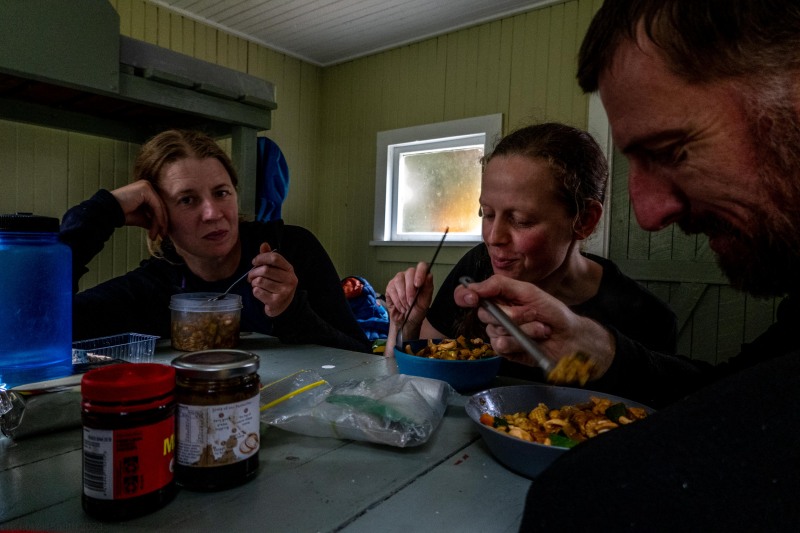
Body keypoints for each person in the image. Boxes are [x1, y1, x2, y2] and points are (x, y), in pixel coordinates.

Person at [455, 1, 800, 529]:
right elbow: (727, 396)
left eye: (672, 150)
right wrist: (597, 349)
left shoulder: (644, 312)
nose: (647, 213)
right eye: (487, 214)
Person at [384, 122, 677, 385]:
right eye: (487, 214)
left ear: (584, 220)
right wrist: (406, 322)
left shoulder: (646, 318)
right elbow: (420, 382)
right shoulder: (477, 266)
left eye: (521, 220)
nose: (493, 238)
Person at [60, 129, 370, 353]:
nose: (212, 213)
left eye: (221, 193)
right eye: (187, 200)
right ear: (157, 213)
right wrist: (104, 212)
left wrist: (290, 311)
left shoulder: (290, 250)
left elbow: (359, 353)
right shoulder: (155, 289)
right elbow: (40, 327)